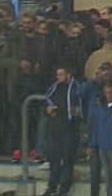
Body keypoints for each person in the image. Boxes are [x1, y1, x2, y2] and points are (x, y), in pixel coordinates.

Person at [45, 66, 83, 196]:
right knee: (54, 159)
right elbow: (47, 101)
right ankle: (52, 186)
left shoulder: (76, 88)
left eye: (61, 74)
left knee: (67, 159)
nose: (58, 77)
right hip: (55, 129)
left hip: (69, 130)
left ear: (69, 75)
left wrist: (72, 118)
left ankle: (63, 189)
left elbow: (79, 109)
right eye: (57, 75)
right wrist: (48, 109)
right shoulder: (54, 88)